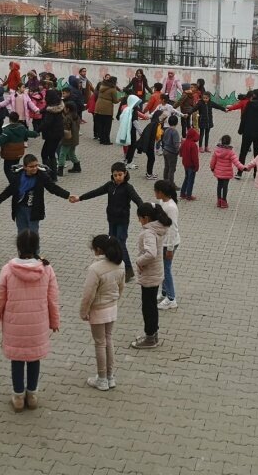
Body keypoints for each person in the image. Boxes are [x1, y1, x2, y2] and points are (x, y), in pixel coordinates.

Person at [0, 230, 60, 411]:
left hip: (15, 326)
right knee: (34, 359)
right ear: (37, 247)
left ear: (18, 247)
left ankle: (18, 397)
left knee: (17, 359)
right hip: (38, 325)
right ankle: (32, 395)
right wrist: (54, 321)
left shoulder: (7, 269)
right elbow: (53, 299)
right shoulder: (47, 269)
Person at [72, 162, 144, 282]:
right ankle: (115, 266)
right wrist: (80, 198)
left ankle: (128, 270)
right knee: (112, 243)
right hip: (111, 219)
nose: (118, 177)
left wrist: (144, 213)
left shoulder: (128, 188)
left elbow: (138, 200)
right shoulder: (110, 185)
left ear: (125, 173)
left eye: (120, 175)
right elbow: (96, 192)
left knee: (120, 244)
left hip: (122, 221)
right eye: (115, 175)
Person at [80, 235, 125, 391]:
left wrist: (84, 311)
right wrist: (115, 300)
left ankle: (102, 379)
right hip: (112, 307)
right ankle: (110, 376)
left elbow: (88, 294)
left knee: (100, 343)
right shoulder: (120, 264)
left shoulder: (95, 269)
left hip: (98, 309)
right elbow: (121, 286)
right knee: (108, 339)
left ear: (98, 250)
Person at [0, 154, 71, 235]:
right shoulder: (18, 175)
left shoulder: (41, 176)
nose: (34, 168)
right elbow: (9, 190)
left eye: (36, 165)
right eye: (31, 166)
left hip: (33, 209)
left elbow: (53, 188)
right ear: (25, 167)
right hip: (19, 208)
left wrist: (67, 195)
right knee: (22, 232)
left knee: (33, 233)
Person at [130, 203, 170, 350]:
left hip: (149, 274)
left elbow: (151, 253)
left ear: (146, 218)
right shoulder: (157, 228)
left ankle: (150, 337)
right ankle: (153, 334)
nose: (139, 221)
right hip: (155, 273)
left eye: (139, 218)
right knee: (151, 305)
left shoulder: (149, 232)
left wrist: (139, 261)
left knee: (148, 307)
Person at [0, 112, 40, 178]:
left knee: (8, 170)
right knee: (16, 168)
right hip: (19, 153)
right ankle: (17, 179)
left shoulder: (7, 131)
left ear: (10, 119)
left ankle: (14, 182)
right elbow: (30, 133)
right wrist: (36, 133)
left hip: (9, 154)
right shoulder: (22, 128)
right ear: (18, 119)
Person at [154, 180, 181, 311]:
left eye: (156, 191)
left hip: (169, 243)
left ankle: (171, 298)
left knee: (166, 270)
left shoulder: (171, 207)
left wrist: (170, 248)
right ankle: (165, 292)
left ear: (162, 192)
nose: (154, 193)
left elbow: (172, 228)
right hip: (163, 242)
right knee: (163, 268)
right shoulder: (162, 202)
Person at [236, 89, 258, 178]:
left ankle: (239, 172)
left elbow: (244, 117)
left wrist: (241, 130)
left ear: (255, 95)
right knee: (257, 154)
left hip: (247, 132)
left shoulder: (250, 104)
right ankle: (256, 174)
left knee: (243, 152)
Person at [209, 134, 245, 209]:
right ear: (229, 142)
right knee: (225, 186)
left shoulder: (217, 150)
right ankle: (224, 201)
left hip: (219, 172)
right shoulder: (230, 152)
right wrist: (243, 168)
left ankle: (219, 201)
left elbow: (213, 160)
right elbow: (236, 162)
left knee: (219, 185)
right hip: (226, 172)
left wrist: (212, 168)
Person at [39, 89, 65, 180]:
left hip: (51, 134)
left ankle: (48, 176)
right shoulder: (58, 105)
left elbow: (47, 123)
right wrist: (41, 111)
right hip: (58, 134)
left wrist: (37, 130)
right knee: (51, 154)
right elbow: (46, 109)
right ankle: (53, 176)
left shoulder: (51, 111)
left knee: (44, 154)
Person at [93, 77, 121, 144]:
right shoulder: (113, 89)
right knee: (107, 125)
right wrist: (121, 99)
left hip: (98, 107)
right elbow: (115, 101)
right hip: (107, 109)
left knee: (101, 125)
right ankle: (106, 141)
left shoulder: (102, 86)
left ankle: (101, 139)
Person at [178, 127, 199, 200]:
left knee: (186, 178)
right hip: (191, 165)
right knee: (191, 180)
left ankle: (182, 193)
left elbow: (180, 152)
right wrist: (196, 166)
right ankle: (189, 195)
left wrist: (182, 155)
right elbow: (195, 158)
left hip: (185, 164)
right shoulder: (193, 145)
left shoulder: (184, 142)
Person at [160, 114, 181, 184]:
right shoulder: (175, 132)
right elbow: (176, 144)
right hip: (172, 153)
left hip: (165, 150)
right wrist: (178, 151)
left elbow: (163, 140)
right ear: (177, 123)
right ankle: (171, 184)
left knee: (166, 167)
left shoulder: (166, 130)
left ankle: (165, 182)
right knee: (172, 169)